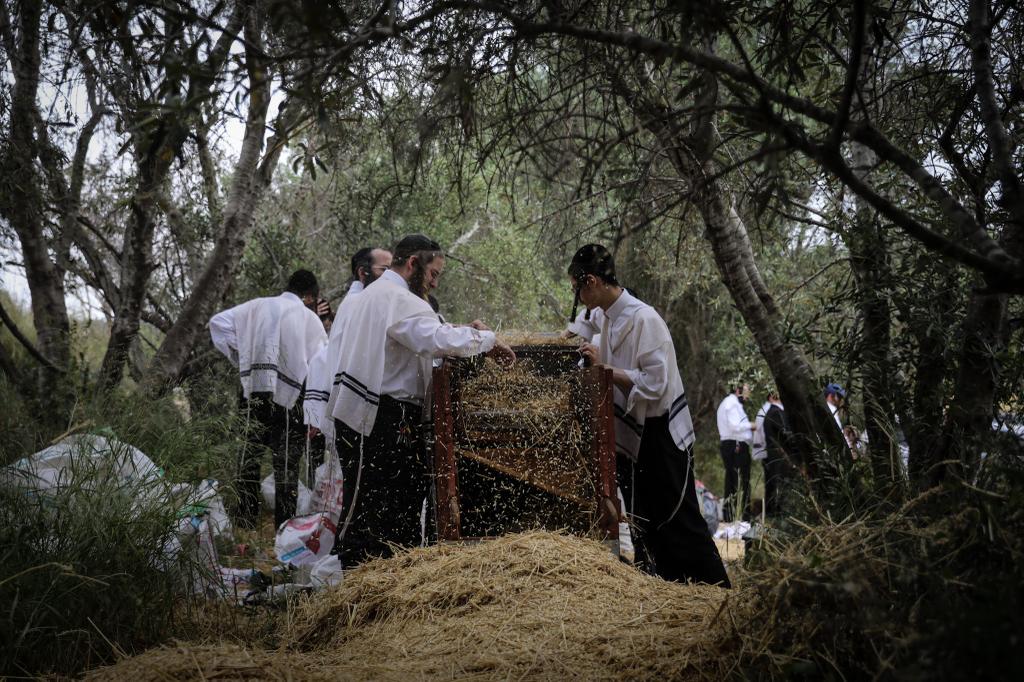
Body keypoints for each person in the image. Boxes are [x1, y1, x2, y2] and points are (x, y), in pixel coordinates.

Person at [329, 234, 515, 566]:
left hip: (363, 413)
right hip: (383, 416)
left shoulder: (376, 294)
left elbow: (423, 330)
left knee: (370, 504)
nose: (434, 284)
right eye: (433, 274)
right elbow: (433, 338)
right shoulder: (397, 298)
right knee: (384, 508)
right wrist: (486, 339)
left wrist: (461, 331)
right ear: (413, 263)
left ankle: (367, 579)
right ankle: (370, 580)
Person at [567, 244, 730, 587]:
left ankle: (715, 590)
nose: (577, 297)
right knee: (644, 518)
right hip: (633, 434)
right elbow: (581, 325)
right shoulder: (607, 314)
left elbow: (656, 384)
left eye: (576, 288)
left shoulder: (645, 319)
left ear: (592, 282)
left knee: (677, 517)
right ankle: (661, 587)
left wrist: (606, 368)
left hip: (663, 433)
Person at [209, 269, 328, 529]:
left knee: (249, 458)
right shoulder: (309, 319)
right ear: (309, 297)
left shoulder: (256, 306)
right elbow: (320, 363)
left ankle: (245, 523)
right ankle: (284, 530)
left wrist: (248, 356)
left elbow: (218, 323)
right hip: (292, 399)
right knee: (286, 467)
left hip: (254, 392)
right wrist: (316, 413)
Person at [303, 247, 393, 439]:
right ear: (362, 272)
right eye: (385, 270)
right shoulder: (358, 304)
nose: (391, 278)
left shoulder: (359, 302)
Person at [717, 384, 756, 522]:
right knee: (741, 481)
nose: (748, 395)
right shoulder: (732, 404)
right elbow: (735, 425)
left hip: (731, 444)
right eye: (746, 391)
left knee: (732, 480)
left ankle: (730, 515)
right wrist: (752, 425)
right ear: (738, 390)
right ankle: (744, 516)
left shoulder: (727, 403)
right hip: (736, 444)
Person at [761, 392, 794, 516]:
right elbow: (784, 433)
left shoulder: (772, 412)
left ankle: (772, 512)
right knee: (778, 483)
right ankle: (777, 513)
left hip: (774, 454)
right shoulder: (776, 413)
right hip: (778, 455)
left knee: (773, 483)